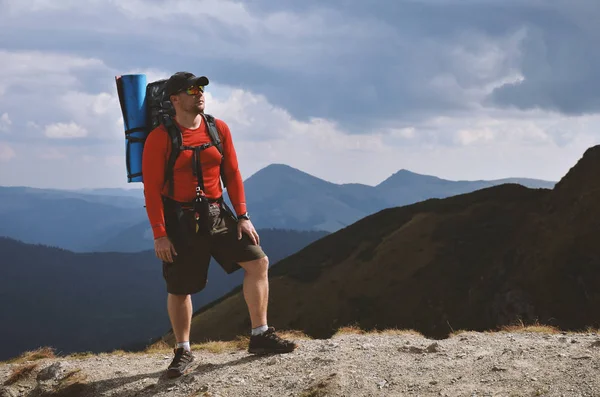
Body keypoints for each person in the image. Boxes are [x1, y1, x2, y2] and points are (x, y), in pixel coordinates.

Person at [142, 71, 297, 378]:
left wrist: (242, 215)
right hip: (180, 220)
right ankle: (183, 350)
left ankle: (260, 335)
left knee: (258, 263)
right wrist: (160, 234)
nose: (199, 93)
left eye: (201, 88)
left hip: (218, 214)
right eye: (191, 89)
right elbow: (152, 189)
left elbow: (233, 173)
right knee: (180, 287)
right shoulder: (160, 137)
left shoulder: (218, 128)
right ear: (174, 99)